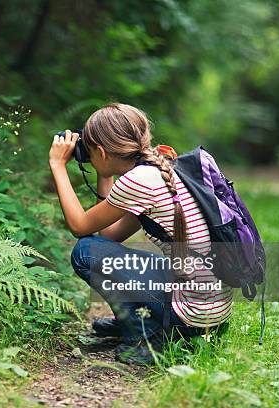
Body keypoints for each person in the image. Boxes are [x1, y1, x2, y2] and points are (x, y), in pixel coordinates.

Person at [48, 103, 232, 365]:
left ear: (100, 151)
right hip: (212, 307)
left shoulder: (138, 181)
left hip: (195, 312)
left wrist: (58, 166)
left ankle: (147, 338)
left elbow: (80, 227)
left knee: (84, 252)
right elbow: (109, 236)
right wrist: (104, 173)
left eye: (91, 151)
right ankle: (145, 321)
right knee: (104, 251)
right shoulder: (161, 168)